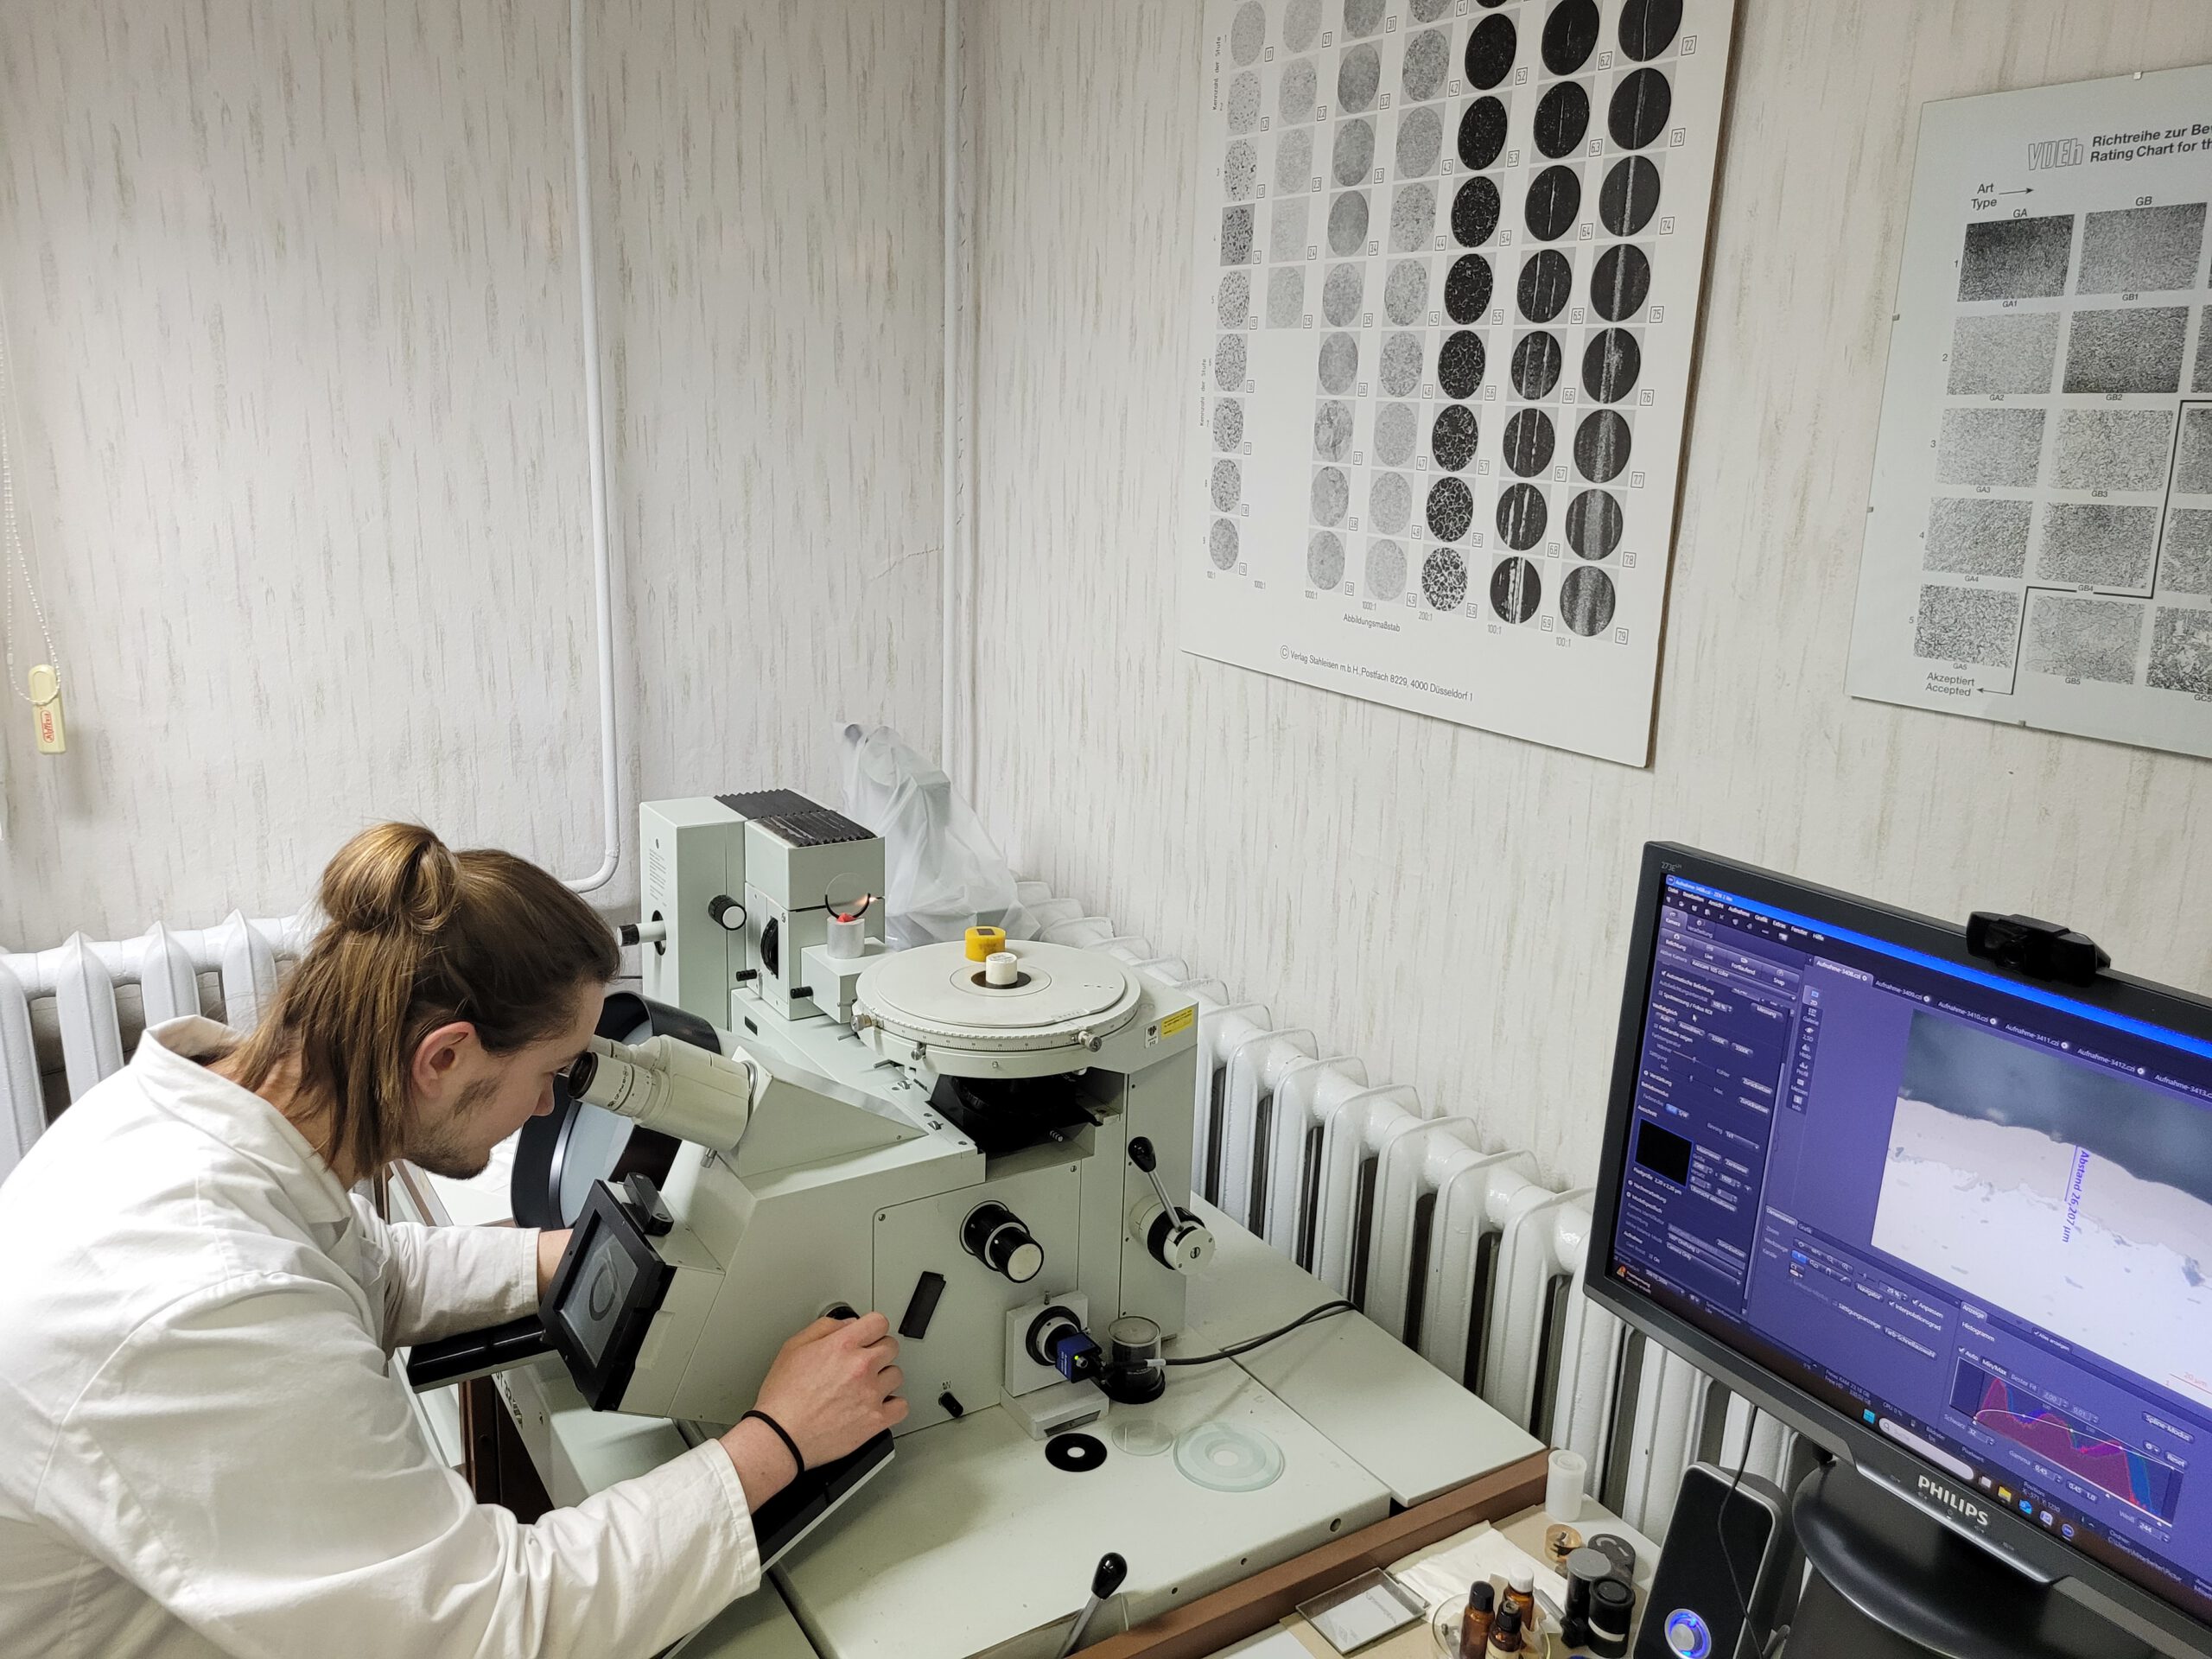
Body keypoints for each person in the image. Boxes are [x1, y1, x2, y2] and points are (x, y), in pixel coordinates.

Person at [0, 823, 907, 1656]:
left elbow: (371, 1267)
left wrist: (564, 1255)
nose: (548, 1105)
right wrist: (779, 1439)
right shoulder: (212, 1301)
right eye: (549, 1073)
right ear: (444, 1057)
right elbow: (486, 1625)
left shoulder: (204, 1113)